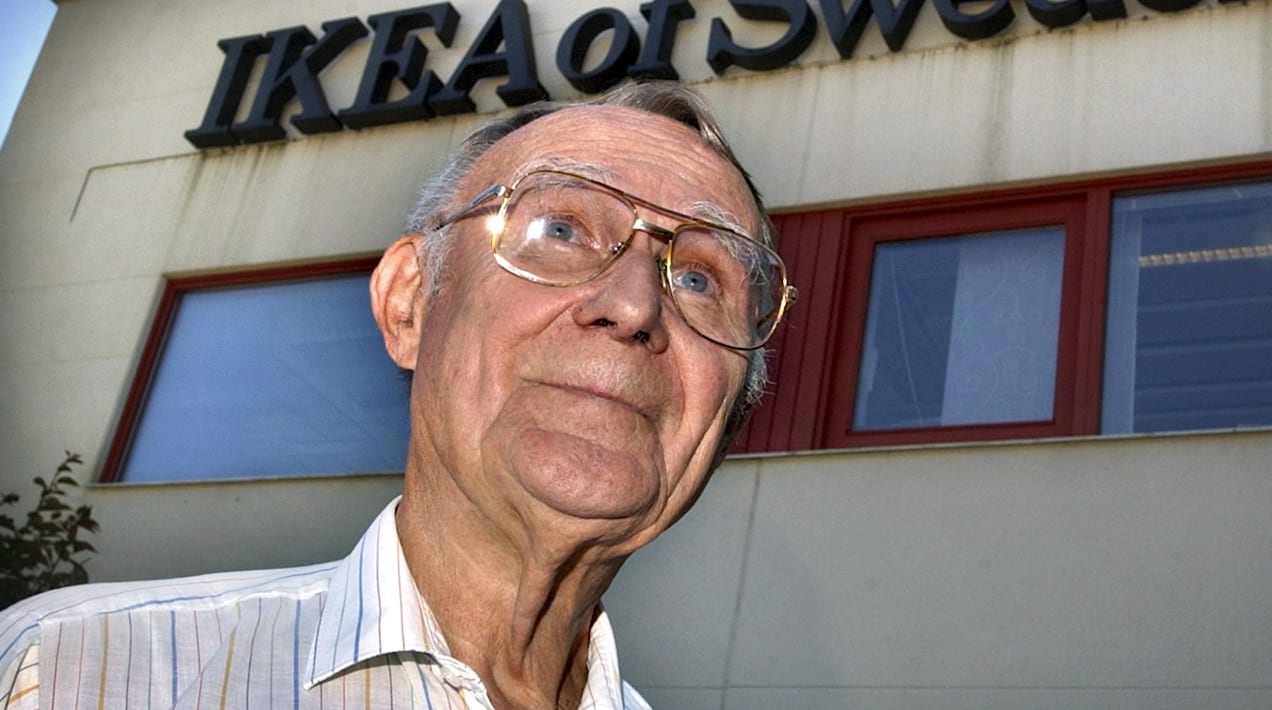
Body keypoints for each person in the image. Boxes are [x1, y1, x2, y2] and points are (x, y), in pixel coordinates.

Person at [0, 81, 795, 709]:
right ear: (410, 303)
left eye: (701, 278)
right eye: (560, 229)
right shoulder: (65, 671)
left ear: (731, 412)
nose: (634, 304)